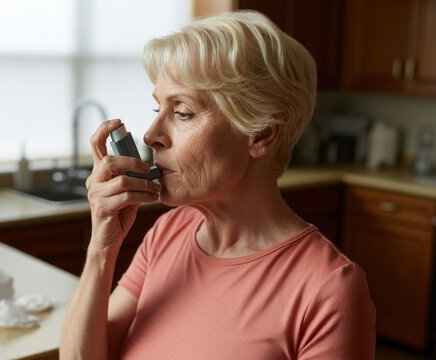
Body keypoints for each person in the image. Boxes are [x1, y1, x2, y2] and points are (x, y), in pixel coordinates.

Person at [60, 10, 375, 360]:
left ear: (261, 133)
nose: (151, 136)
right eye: (157, 110)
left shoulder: (329, 290)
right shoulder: (168, 233)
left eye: (182, 113)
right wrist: (101, 248)